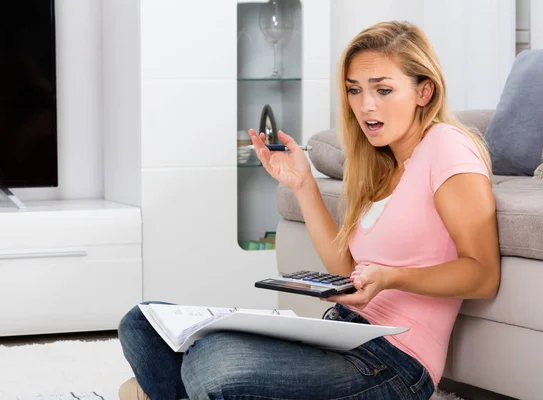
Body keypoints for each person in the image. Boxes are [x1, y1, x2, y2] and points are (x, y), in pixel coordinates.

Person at [117, 20, 500, 400]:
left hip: (394, 363)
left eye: (383, 89)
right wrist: (303, 185)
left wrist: (391, 277)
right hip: (341, 336)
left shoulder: (448, 146)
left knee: (211, 363)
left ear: (424, 92)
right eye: (354, 90)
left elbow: (482, 275)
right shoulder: (383, 166)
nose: (366, 105)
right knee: (143, 321)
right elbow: (344, 271)